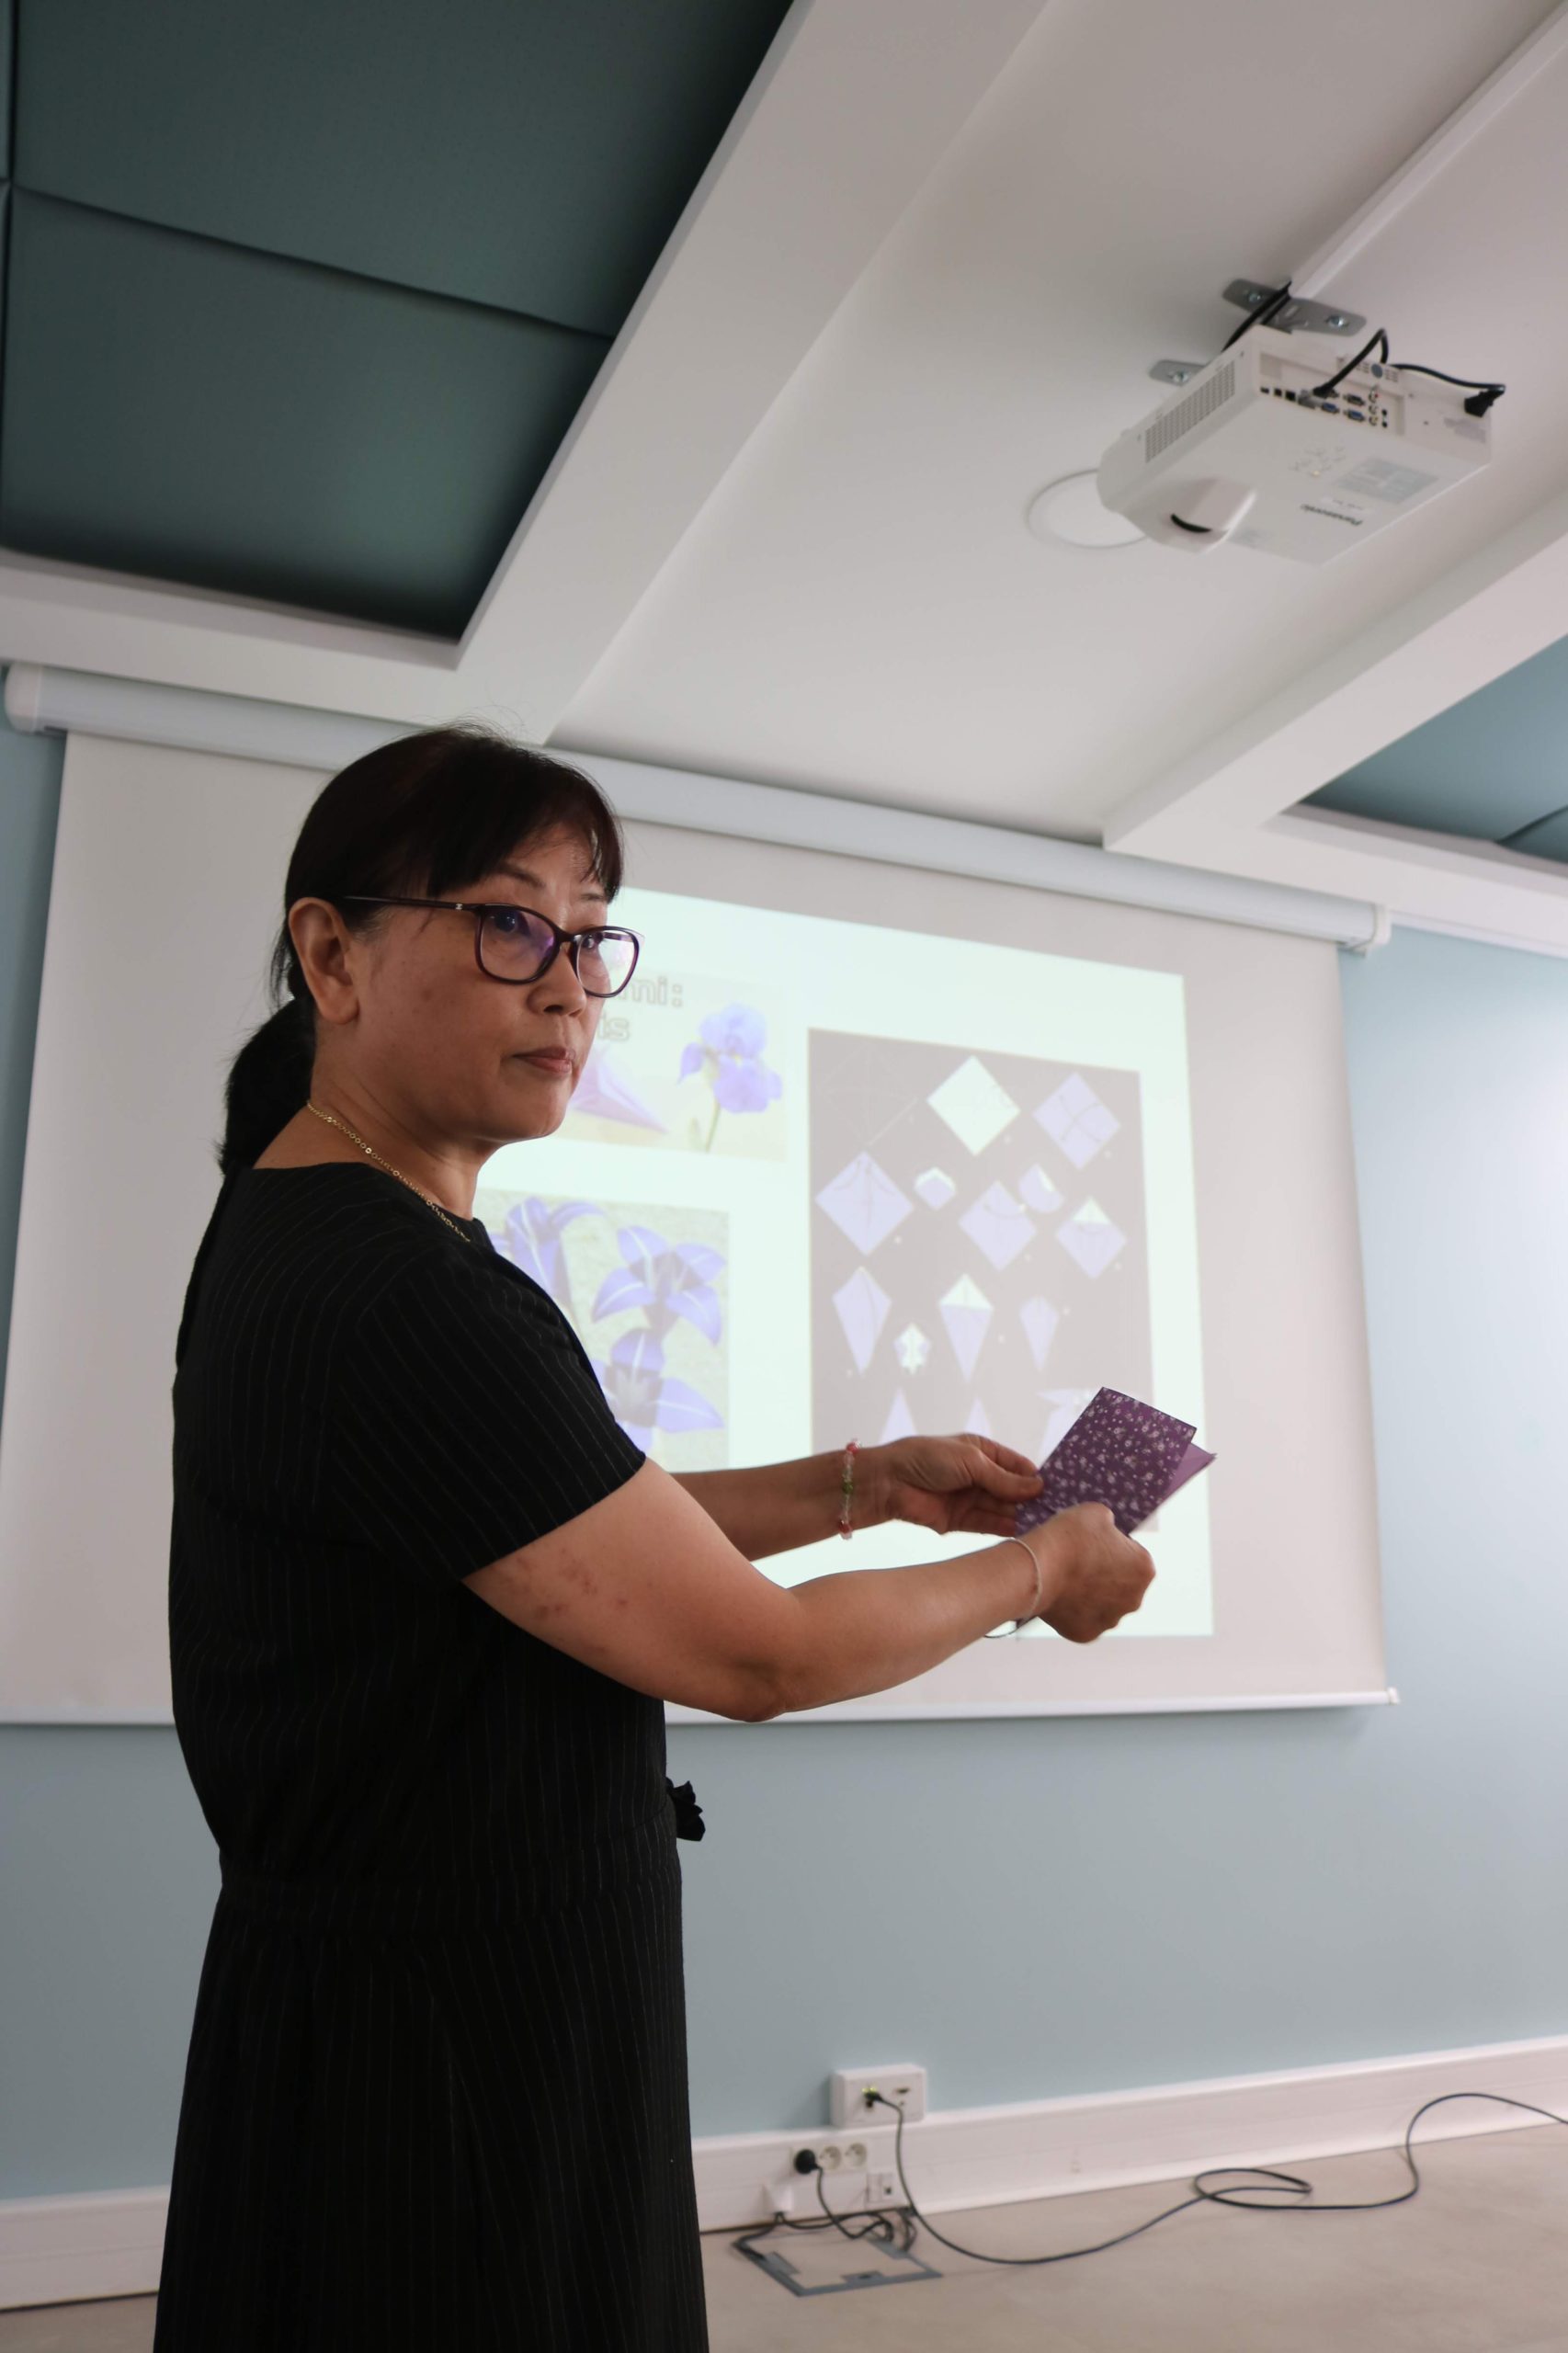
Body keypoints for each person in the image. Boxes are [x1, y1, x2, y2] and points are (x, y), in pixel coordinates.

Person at [153, 724, 1153, 2352]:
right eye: (508, 923)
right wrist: (1044, 1568)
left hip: (399, 2015)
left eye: (587, 936)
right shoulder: (401, 1292)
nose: (568, 987)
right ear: (332, 956)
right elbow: (762, 1658)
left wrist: (862, 1484)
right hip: (450, 2065)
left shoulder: (314, 1226)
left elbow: (553, 1532)